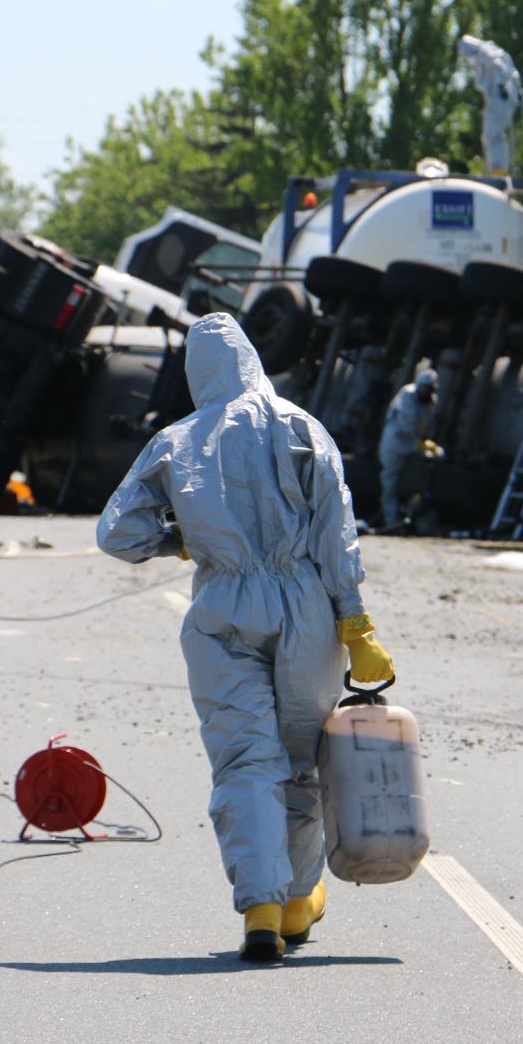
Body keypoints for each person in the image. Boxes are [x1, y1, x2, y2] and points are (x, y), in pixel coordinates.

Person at [97, 313, 395, 962]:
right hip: (306, 611)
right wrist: (355, 624)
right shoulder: (300, 426)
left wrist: (182, 540)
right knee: (301, 764)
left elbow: (116, 532)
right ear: (252, 359)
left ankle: (259, 909)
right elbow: (335, 532)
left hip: (223, 606)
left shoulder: (175, 440)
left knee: (245, 761)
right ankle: (296, 904)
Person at [378, 368, 442, 528]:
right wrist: (419, 441)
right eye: (426, 387)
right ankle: (391, 523)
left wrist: (426, 442)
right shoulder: (407, 394)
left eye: (430, 388)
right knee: (390, 484)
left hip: (412, 445)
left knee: (432, 465)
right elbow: (407, 424)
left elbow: (428, 425)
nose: (427, 391)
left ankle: (410, 517)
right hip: (395, 446)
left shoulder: (430, 402)